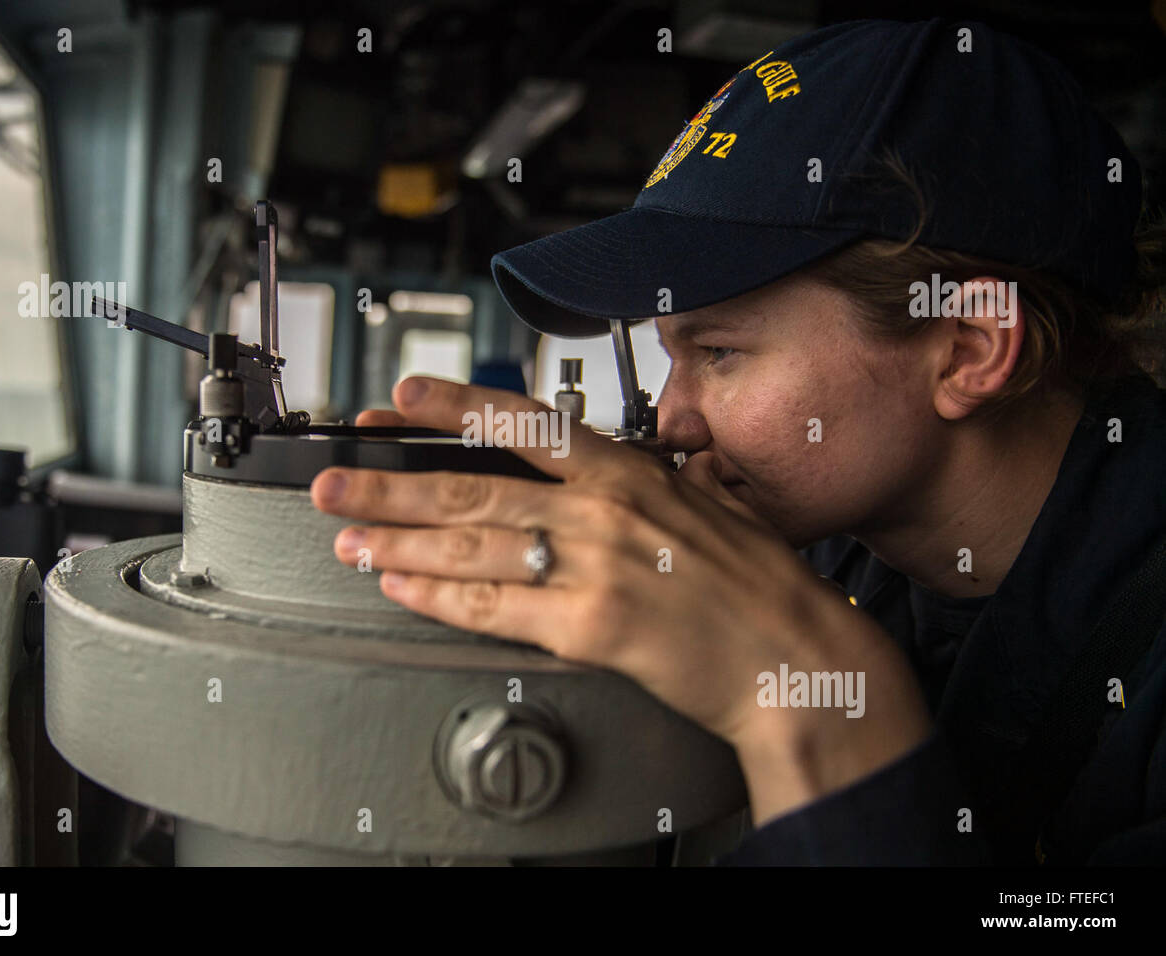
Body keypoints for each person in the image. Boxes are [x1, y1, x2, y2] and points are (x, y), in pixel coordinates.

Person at [311, 17, 1166, 864]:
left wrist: (823, 714)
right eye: (671, 354)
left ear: (968, 348)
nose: (675, 419)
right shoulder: (839, 551)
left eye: (720, 353)